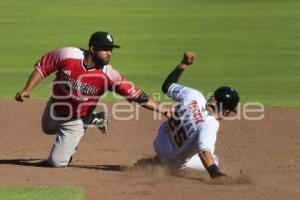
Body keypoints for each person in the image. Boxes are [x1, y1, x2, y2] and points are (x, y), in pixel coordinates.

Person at [15, 31, 171, 167]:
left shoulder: (109, 75)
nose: (109, 53)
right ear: (92, 49)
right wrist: (27, 89)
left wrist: (161, 108)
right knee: (47, 128)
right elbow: (42, 68)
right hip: (56, 104)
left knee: (57, 162)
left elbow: (136, 94)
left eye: (110, 50)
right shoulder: (68, 55)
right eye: (105, 49)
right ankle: (96, 119)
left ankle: (85, 123)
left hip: (77, 117)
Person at [153, 51, 240, 179]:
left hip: (159, 142)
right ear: (225, 110)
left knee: (184, 134)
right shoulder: (210, 123)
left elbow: (167, 86)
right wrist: (216, 174)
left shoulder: (194, 95)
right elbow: (204, 152)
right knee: (214, 160)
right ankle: (164, 164)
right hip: (174, 162)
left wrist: (183, 63)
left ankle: (159, 158)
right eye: (228, 111)